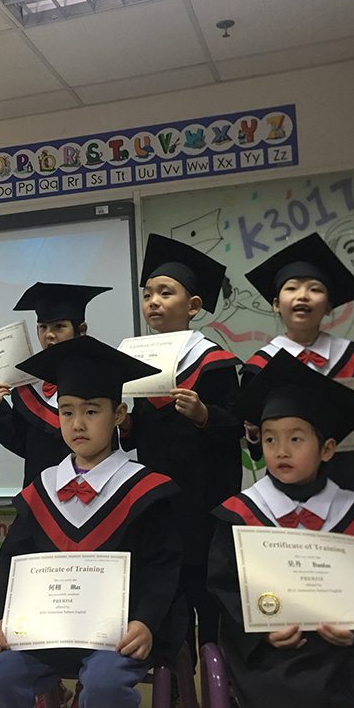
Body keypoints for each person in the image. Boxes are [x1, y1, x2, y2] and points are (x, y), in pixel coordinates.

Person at [208, 350, 354, 707]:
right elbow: (224, 586)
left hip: (352, 645)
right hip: (278, 650)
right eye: (270, 439)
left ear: (327, 449)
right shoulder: (240, 514)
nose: (281, 451)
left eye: (296, 439)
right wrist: (263, 633)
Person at [0, 336, 185, 708]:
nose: (77, 424)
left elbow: (163, 566)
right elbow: (11, 559)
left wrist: (145, 623)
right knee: (0, 679)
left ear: (119, 415)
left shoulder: (145, 490)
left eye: (91, 412)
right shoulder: (43, 488)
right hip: (48, 633)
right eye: (67, 412)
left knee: (105, 686)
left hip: (118, 636)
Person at [120, 233, 243, 656]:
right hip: (159, 495)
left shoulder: (214, 360)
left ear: (193, 306)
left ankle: (218, 673)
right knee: (166, 588)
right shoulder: (137, 361)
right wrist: (126, 425)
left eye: (165, 292)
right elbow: (141, 432)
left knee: (205, 590)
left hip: (204, 497)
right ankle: (174, 676)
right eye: (147, 294)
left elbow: (237, 424)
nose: (153, 301)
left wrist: (205, 414)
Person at [243, 232, 354, 503]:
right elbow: (257, 447)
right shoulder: (260, 365)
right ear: (276, 305)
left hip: (351, 477)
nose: (303, 296)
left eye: (315, 289)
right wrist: (252, 430)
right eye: (292, 288)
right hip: (288, 485)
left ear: (329, 306)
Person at [0, 282, 110, 487]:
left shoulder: (99, 381)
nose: (49, 334)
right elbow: (21, 443)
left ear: (81, 330)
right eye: (43, 327)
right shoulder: (28, 387)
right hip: (39, 489)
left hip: (90, 487)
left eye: (59, 326)